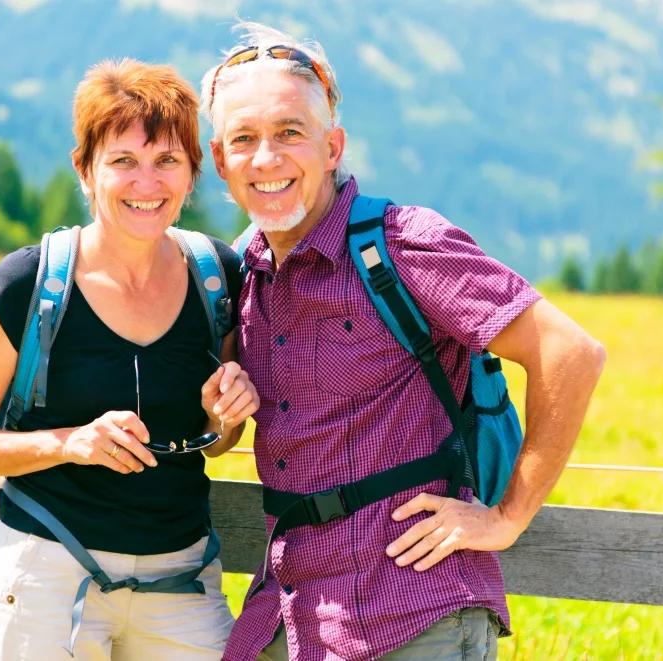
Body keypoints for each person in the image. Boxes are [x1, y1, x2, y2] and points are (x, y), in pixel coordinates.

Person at [201, 23, 606, 661]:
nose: (267, 158)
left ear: (332, 147)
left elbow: (571, 353)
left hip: (410, 614)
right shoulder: (245, 278)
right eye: (244, 139)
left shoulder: (401, 243)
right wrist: (220, 411)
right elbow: (225, 439)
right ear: (221, 162)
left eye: (289, 133)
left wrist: (507, 518)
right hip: (287, 616)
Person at [0, 58, 259, 660]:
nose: (147, 183)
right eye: (123, 161)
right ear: (85, 170)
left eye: (166, 161)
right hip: (49, 576)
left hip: (181, 580)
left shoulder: (219, 279)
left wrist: (223, 419)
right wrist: (68, 442)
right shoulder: (27, 283)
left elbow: (215, 444)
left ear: (192, 174)